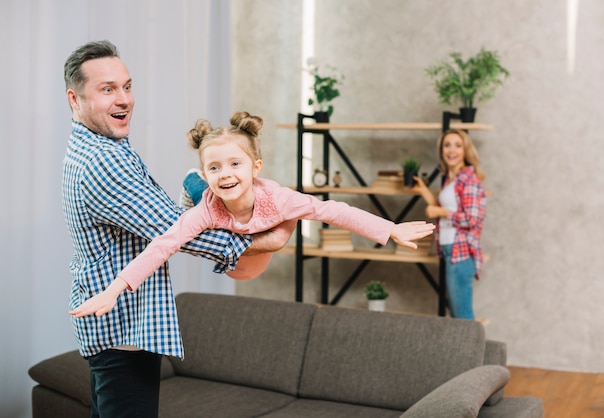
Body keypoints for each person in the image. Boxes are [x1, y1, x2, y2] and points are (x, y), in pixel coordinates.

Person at [62, 40, 293, 418]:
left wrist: (193, 205)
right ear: (75, 99)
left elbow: (151, 220)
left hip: (113, 329)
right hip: (124, 333)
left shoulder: (97, 145)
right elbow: (177, 233)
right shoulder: (104, 162)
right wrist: (269, 238)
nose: (124, 99)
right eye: (107, 90)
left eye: (127, 86)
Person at [70, 111, 436, 317]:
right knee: (194, 195)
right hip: (222, 228)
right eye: (215, 166)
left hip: (251, 252)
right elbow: (162, 245)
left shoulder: (279, 201)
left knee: (226, 209)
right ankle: (192, 179)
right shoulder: (210, 206)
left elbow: (334, 211)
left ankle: (197, 179)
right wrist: (115, 289)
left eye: (235, 164)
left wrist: (389, 229)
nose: (225, 173)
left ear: (255, 167)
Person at [412, 128, 486, 320]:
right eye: (447, 145)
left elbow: (472, 219)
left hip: (460, 252)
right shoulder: (451, 180)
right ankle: (466, 350)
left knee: (462, 317)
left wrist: (440, 212)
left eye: (457, 145)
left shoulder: (467, 178)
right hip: (449, 251)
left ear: (465, 151)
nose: (451, 150)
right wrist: (423, 191)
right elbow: (441, 209)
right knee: (456, 317)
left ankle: (471, 351)